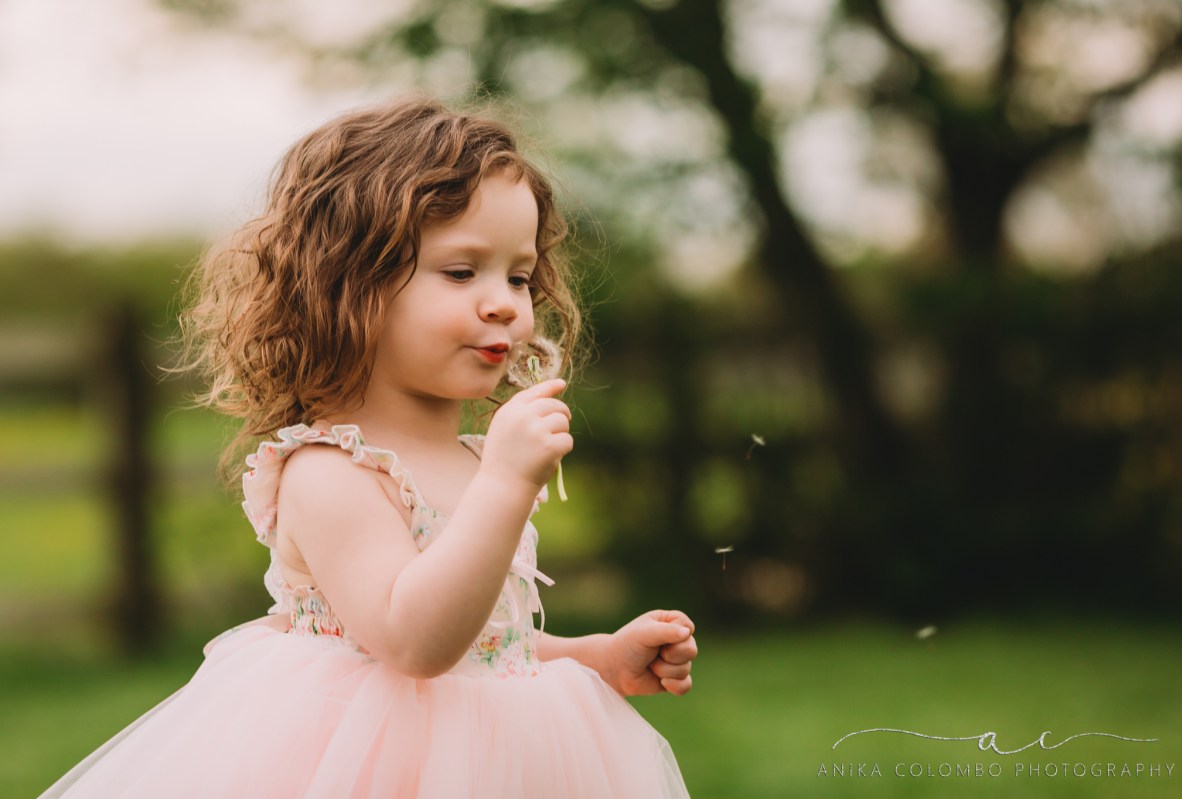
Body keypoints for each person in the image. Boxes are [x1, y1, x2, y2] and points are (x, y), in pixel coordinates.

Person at [40, 97, 696, 798]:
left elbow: (480, 642)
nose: (504, 302)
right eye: (460, 271)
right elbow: (413, 641)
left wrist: (594, 657)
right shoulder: (329, 472)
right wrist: (505, 483)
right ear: (351, 286)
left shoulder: (476, 459)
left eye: (518, 275)